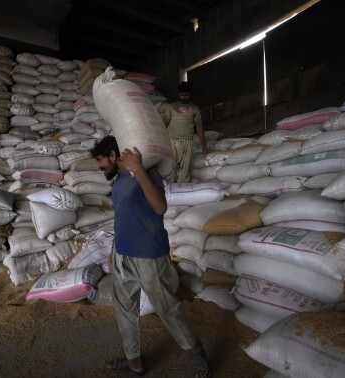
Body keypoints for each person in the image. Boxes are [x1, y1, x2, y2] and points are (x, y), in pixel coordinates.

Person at [89, 135, 210, 378]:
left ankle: (196, 352)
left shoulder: (146, 173)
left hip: (149, 255)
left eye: (101, 160)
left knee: (166, 307)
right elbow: (122, 217)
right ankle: (134, 362)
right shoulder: (120, 181)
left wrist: (137, 169)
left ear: (113, 155)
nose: (99, 166)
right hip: (124, 254)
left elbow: (160, 207)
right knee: (124, 309)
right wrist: (114, 248)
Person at [161, 81, 207, 183]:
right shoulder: (171, 107)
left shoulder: (195, 109)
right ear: (179, 94)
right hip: (172, 140)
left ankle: (183, 189)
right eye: (182, 95)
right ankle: (170, 189)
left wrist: (203, 144)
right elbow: (164, 123)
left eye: (186, 95)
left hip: (188, 141)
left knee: (186, 169)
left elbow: (199, 126)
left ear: (190, 94)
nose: (184, 97)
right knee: (171, 166)